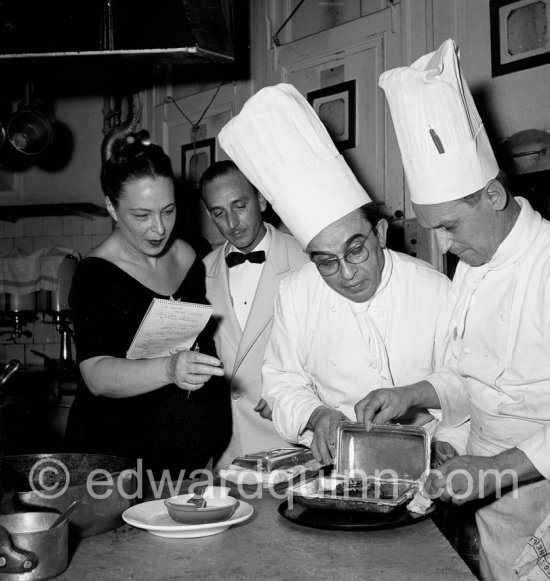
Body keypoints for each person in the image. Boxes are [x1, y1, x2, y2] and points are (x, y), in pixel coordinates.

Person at [355, 39, 550, 581]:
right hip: (492, 502)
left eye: (448, 226)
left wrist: (494, 469)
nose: (440, 248)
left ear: (492, 194)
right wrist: (413, 395)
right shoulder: (472, 264)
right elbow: (480, 381)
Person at [217, 83, 454, 466]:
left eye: (355, 250)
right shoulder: (296, 292)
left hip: (427, 462)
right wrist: (318, 415)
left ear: (380, 233)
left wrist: (413, 395)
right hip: (338, 465)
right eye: (325, 261)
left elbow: (467, 383)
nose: (345, 273)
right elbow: (281, 383)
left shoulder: (433, 289)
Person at [66, 130, 231, 477]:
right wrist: (170, 369)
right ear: (111, 207)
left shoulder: (190, 254)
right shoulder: (95, 275)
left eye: (168, 211)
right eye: (142, 215)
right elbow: (96, 375)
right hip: (119, 466)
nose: (159, 229)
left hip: (188, 465)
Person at [200, 161, 308, 466]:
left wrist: (297, 396)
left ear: (260, 200)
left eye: (240, 205)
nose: (232, 222)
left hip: (287, 444)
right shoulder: (201, 273)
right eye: (219, 213)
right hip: (225, 449)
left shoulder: (307, 261)